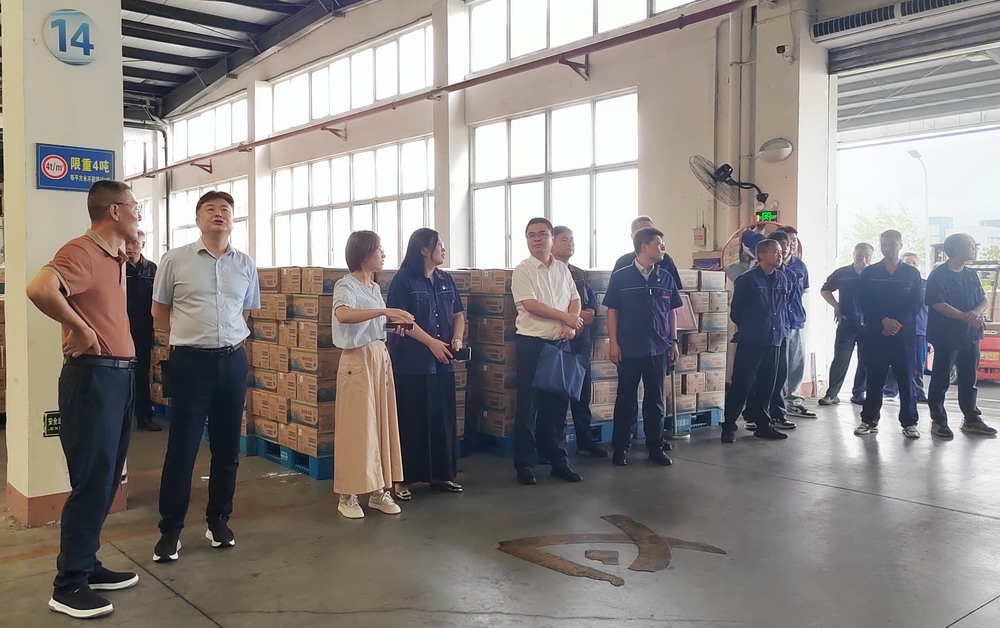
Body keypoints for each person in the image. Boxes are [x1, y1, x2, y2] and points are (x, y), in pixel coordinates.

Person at [27, 180, 143, 619]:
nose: (138, 214)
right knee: (92, 480)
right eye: (134, 206)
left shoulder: (114, 257)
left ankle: (88, 563)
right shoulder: (81, 251)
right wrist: (80, 327)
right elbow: (40, 288)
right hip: (93, 378)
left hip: (118, 377)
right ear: (114, 211)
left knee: (108, 477)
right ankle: (69, 584)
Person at [152, 191, 260, 561]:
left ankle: (219, 520)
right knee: (182, 448)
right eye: (210, 209)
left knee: (227, 447)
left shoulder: (245, 264)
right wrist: (190, 338)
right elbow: (159, 311)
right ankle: (171, 530)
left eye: (225, 209)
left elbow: (245, 312)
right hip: (189, 364)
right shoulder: (175, 260)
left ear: (233, 219)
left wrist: (223, 340)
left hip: (232, 361)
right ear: (198, 219)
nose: (218, 214)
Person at [332, 231, 414, 518]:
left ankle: (378, 490)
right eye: (379, 250)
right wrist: (384, 311)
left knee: (381, 424)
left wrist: (392, 324)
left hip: (379, 356)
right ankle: (348, 495)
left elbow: (371, 323)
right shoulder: (346, 285)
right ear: (364, 253)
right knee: (357, 427)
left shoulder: (374, 287)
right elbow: (343, 315)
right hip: (357, 359)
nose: (383, 255)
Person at [386, 229, 466, 499]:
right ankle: (403, 480)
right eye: (439, 244)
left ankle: (442, 475)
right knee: (411, 419)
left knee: (442, 419)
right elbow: (400, 320)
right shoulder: (403, 280)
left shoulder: (446, 279)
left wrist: (457, 338)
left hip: (443, 360)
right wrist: (431, 342)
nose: (443, 249)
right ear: (424, 249)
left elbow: (458, 314)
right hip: (412, 361)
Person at [511, 218, 584, 485]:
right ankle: (524, 464)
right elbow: (530, 305)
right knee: (528, 406)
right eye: (531, 235)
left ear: (552, 238)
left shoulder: (562, 269)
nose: (537, 239)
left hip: (559, 343)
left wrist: (571, 325)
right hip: (532, 344)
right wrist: (565, 318)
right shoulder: (523, 270)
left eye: (542, 234)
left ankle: (557, 460)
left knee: (558, 404)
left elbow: (575, 299)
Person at [604, 227, 681, 466]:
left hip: (658, 348)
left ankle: (655, 446)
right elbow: (612, 312)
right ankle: (621, 448)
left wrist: (674, 342)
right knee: (626, 400)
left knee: (655, 401)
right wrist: (614, 344)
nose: (663, 248)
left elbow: (672, 312)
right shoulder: (621, 277)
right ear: (643, 246)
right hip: (628, 347)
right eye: (658, 243)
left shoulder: (665, 277)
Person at [720, 239, 793, 443]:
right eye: (775, 252)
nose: (780, 255)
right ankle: (729, 426)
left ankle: (763, 425)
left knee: (767, 385)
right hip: (752, 340)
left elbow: (784, 306)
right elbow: (736, 312)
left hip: (775, 339)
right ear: (761, 255)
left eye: (781, 252)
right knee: (741, 385)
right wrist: (753, 327)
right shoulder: (747, 280)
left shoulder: (782, 278)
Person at [925, 233, 996, 438]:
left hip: (971, 336)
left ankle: (971, 419)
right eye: (971, 245)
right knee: (941, 380)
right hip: (946, 336)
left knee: (969, 380)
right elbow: (938, 304)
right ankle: (939, 421)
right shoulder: (938, 275)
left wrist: (975, 312)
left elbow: (983, 299)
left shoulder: (971, 274)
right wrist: (966, 317)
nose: (974, 249)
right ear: (957, 250)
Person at [854, 230, 923, 439]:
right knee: (875, 379)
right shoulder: (870, 272)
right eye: (885, 243)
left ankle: (910, 423)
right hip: (877, 334)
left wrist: (896, 323)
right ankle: (869, 420)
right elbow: (864, 301)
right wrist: (883, 320)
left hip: (904, 335)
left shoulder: (911, 274)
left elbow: (915, 304)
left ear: (900, 245)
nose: (888, 247)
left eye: (893, 243)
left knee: (906, 379)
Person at [551, 226, 607, 458]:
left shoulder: (579, 274)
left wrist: (582, 316)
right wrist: (571, 317)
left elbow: (591, 306)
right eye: (564, 239)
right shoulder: (547, 272)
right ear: (552, 243)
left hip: (581, 343)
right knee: (557, 399)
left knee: (582, 397)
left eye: (572, 239)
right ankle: (554, 449)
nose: (570, 243)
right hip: (558, 342)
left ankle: (585, 441)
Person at [752, 231, 797, 432]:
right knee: (755, 377)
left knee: (778, 376)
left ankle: (776, 415)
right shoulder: (752, 277)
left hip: (781, 330)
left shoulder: (789, 275)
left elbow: (789, 303)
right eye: (777, 248)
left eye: (786, 246)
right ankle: (753, 416)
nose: (784, 250)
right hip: (757, 335)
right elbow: (739, 311)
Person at [818, 243, 874, 406]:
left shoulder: (874, 274)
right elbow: (825, 290)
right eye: (860, 255)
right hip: (847, 322)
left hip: (869, 324)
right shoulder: (842, 273)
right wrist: (836, 305)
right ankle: (832, 393)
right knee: (841, 358)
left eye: (867, 256)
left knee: (865, 360)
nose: (863, 259)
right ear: (854, 254)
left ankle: (859, 393)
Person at [776, 226, 817, 419]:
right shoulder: (770, 267)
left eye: (793, 241)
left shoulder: (800, 266)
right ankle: (777, 403)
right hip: (778, 324)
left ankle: (793, 401)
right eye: (787, 241)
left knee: (796, 362)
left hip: (797, 321)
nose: (791, 245)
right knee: (779, 366)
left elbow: (803, 293)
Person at [125, 230, 161, 432]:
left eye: (134, 243)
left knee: (142, 372)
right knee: (121, 373)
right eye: (127, 243)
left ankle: (144, 417)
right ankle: (122, 418)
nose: (130, 247)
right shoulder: (118, 267)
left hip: (144, 328)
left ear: (143, 245)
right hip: (121, 327)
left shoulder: (152, 269)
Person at [883, 252, 929, 403]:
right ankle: (889, 391)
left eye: (914, 263)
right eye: (908, 262)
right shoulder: (895, 283)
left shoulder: (926, 285)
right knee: (894, 361)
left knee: (918, 363)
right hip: (899, 328)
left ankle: (918, 392)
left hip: (920, 330)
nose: (911, 265)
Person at [613, 215, 682, 288]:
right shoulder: (622, 263)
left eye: (651, 231)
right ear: (633, 236)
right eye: (642, 232)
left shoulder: (666, 260)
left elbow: (676, 290)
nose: (649, 234)